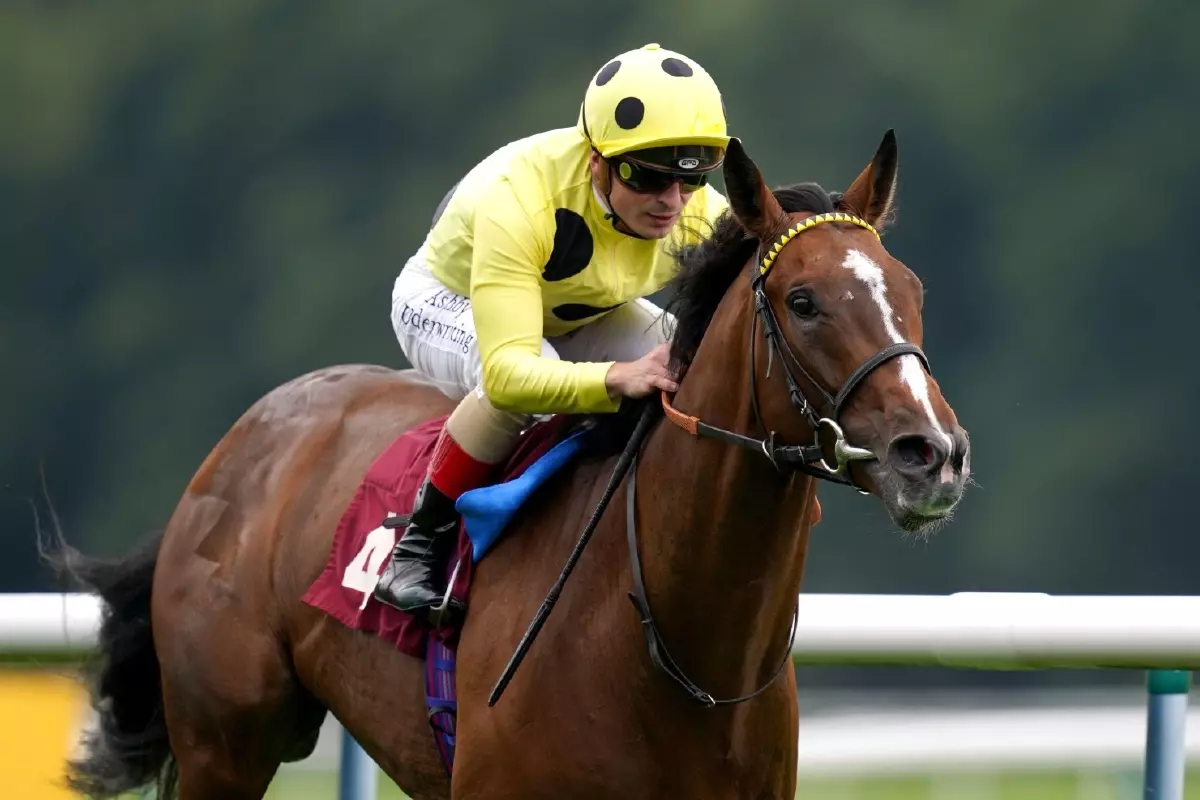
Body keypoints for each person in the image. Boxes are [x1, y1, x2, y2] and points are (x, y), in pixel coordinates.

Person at [374, 43, 732, 620]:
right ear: (597, 161)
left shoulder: (698, 212)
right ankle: (417, 547)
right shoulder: (519, 199)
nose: (671, 203)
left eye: (690, 179)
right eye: (648, 178)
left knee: (687, 367)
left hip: (576, 312)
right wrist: (616, 377)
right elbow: (512, 373)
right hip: (447, 299)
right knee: (527, 376)